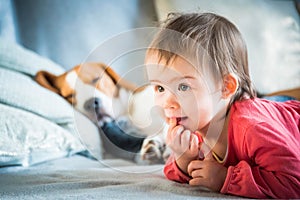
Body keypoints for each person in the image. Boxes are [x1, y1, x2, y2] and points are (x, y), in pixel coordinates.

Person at [144, 12, 300, 198]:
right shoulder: (197, 122)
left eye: (183, 87)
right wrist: (184, 158)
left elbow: (293, 181)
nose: (168, 103)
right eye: (160, 88)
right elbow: (173, 170)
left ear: (226, 87)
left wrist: (226, 178)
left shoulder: (252, 128)